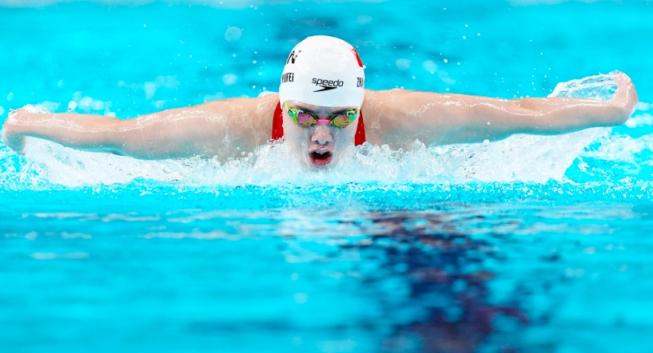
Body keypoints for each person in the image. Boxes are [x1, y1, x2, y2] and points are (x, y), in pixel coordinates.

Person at [1, 35, 638, 168]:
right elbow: (120, 133)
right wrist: (28, 123)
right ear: (282, 107)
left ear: (361, 108)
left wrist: (609, 114)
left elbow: (518, 116)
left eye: (339, 118)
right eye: (306, 116)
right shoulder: (229, 130)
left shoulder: (404, 119)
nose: (321, 138)